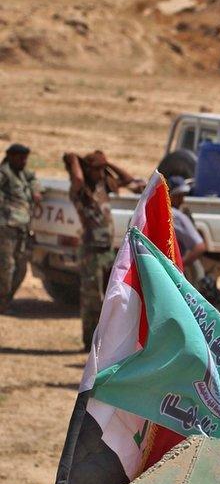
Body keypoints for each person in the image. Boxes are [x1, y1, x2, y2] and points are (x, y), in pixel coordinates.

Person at [64, 150, 144, 351]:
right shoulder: (81, 192)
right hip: (91, 251)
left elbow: (128, 179)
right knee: (92, 299)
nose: (101, 173)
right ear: (88, 170)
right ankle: (88, 343)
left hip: (107, 250)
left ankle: (104, 341)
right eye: (96, 169)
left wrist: (108, 164)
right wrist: (75, 160)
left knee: (110, 297)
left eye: (102, 170)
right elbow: (78, 178)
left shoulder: (102, 187)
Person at [0, 143, 41, 313]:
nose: (24, 161)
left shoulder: (23, 174)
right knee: (6, 268)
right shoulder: (4, 173)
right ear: (10, 156)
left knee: (21, 268)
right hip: (6, 228)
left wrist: (35, 190)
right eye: (21, 157)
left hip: (22, 229)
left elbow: (34, 179)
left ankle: (5, 301)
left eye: (25, 158)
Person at [167, 175, 206, 285]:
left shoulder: (176, 215)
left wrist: (179, 265)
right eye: (178, 196)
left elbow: (199, 247)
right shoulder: (174, 214)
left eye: (182, 196)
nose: (182, 200)